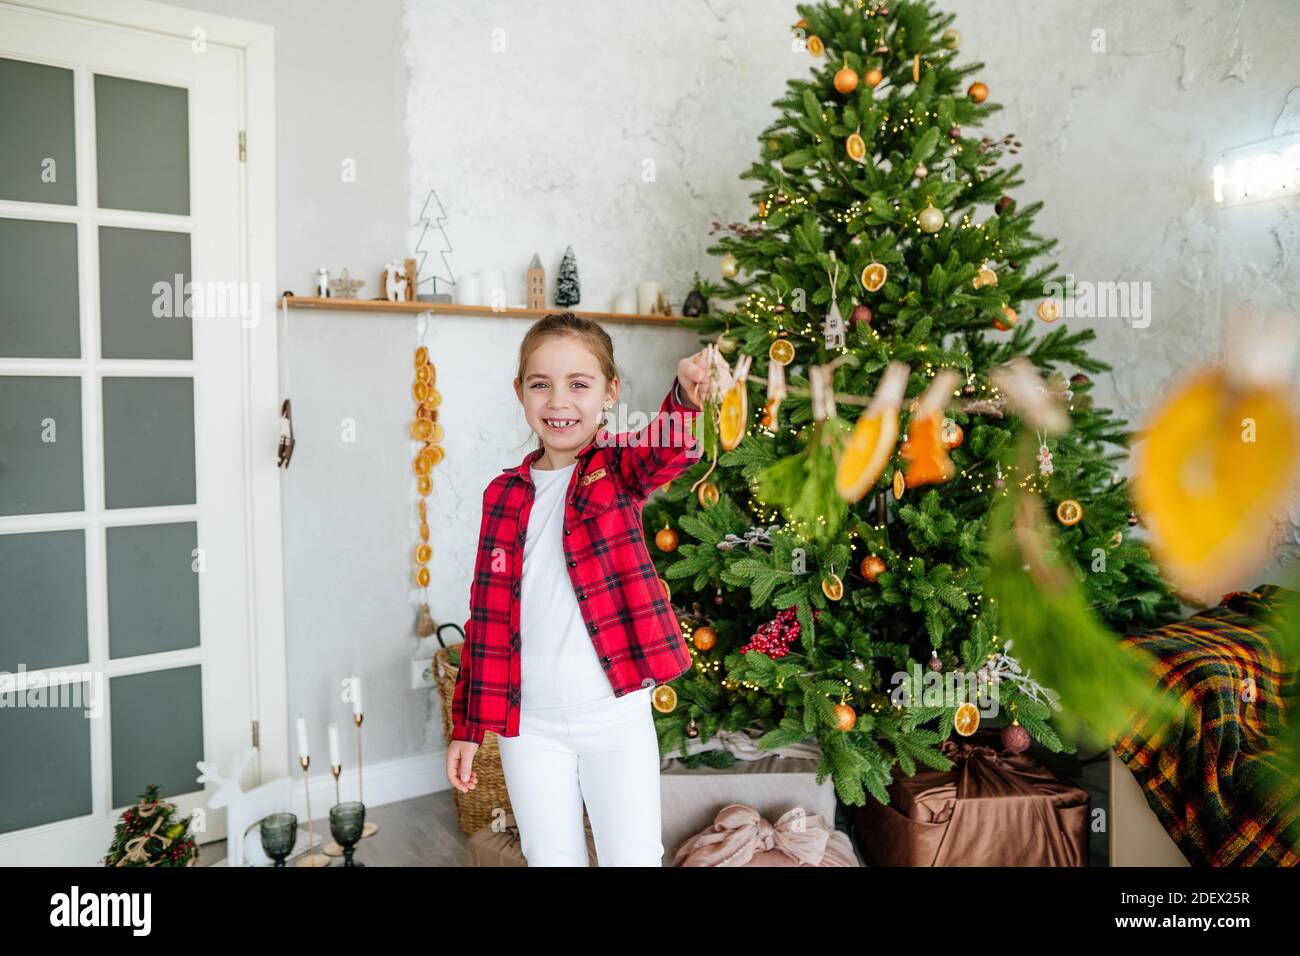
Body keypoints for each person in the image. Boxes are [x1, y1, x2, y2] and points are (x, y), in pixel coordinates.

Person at [444, 311, 733, 866]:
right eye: (540, 384)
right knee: (551, 857)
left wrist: (688, 397)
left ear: (609, 393)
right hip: (527, 726)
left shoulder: (616, 470)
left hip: (614, 717)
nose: (559, 402)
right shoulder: (501, 496)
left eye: (579, 384)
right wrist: (467, 725)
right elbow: (485, 618)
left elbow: (666, 448)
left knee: (634, 857)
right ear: (519, 393)